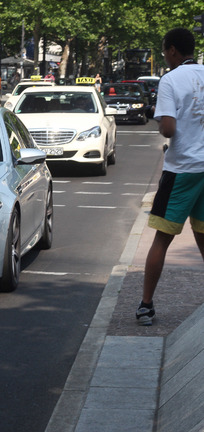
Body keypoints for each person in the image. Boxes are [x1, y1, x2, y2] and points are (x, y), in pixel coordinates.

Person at [135, 28, 204, 326]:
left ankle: (146, 306)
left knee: (162, 239)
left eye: (164, 51)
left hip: (182, 170)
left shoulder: (170, 79)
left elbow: (168, 130)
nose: (164, 56)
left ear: (173, 50)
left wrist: (157, 116)